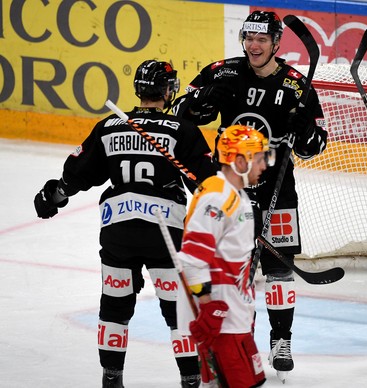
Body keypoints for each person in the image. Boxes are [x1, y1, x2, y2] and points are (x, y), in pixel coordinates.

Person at [33, 59, 217, 387]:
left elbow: (77, 173)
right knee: (178, 312)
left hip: (119, 231)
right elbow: (207, 182)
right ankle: (191, 379)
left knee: (115, 307)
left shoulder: (110, 126)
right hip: (166, 233)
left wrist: (54, 196)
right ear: (167, 90)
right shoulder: (183, 130)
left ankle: (111, 378)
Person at [172, 10, 328, 381]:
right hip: (231, 190)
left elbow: (315, 145)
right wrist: (208, 98)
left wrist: (303, 129)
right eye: (249, 38)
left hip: (278, 186)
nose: (254, 46)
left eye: (262, 40)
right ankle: (245, 342)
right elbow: (181, 113)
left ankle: (281, 340)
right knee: (238, 270)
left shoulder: (294, 85)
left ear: (276, 43)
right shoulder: (222, 71)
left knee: (279, 267)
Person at [176, 124, 272, 388]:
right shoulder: (218, 196)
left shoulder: (236, 195)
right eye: (260, 158)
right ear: (240, 160)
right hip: (221, 318)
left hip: (235, 314)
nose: (264, 165)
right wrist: (208, 308)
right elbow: (193, 257)